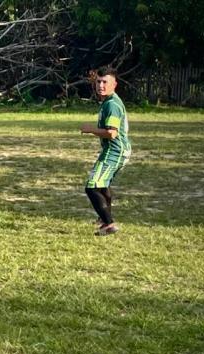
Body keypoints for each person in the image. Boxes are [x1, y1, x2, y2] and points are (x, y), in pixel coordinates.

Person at [80, 66, 132, 236]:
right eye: (99, 82)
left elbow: (111, 132)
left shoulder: (112, 105)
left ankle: (109, 224)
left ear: (114, 84)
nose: (101, 85)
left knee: (92, 186)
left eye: (105, 82)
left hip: (115, 151)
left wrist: (90, 129)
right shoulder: (108, 101)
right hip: (115, 150)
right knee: (103, 185)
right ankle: (104, 219)